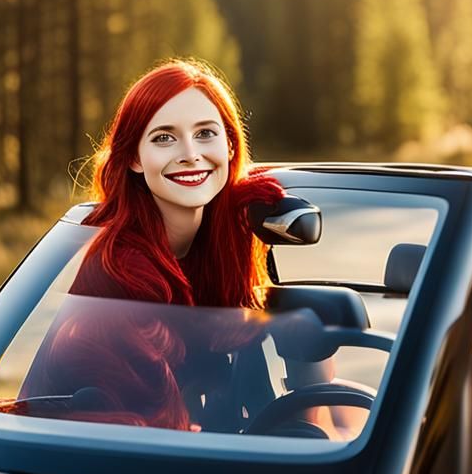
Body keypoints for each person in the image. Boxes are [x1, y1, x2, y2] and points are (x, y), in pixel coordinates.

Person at [19, 59, 284, 430]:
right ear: (133, 159)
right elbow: (162, 429)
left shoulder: (230, 237)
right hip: (105, 460)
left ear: (230, 145)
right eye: (164, 137)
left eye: (206, 133)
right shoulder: (122, 269)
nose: (190, 153)